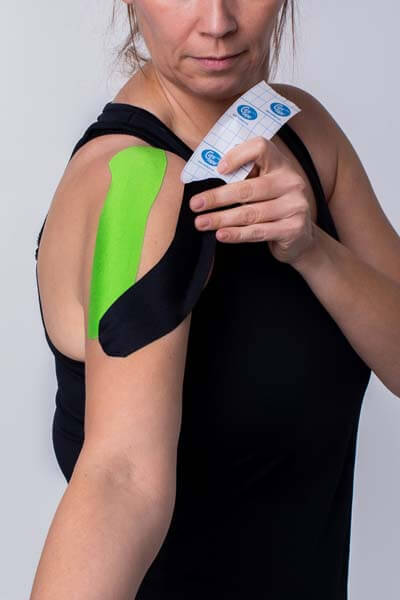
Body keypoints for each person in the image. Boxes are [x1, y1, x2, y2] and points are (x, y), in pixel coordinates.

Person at [31, 1, 400, 599]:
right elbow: (120, 480)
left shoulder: (306, 134)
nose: (218, 22)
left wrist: (313, 250)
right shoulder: (139, 184)